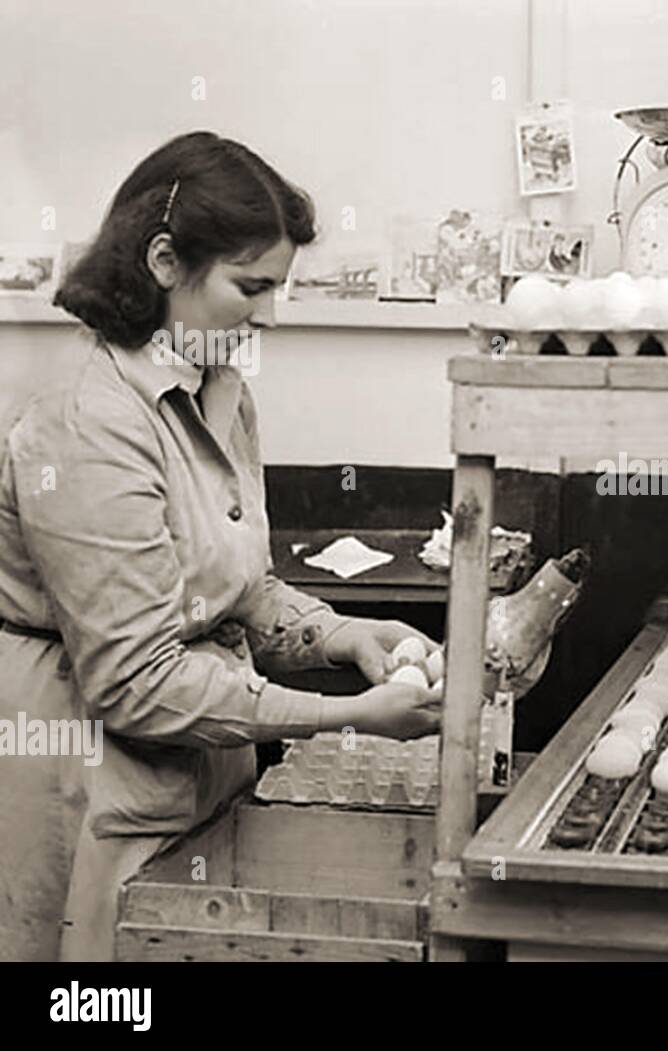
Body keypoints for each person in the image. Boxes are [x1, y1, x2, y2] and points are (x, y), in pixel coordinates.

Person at [0, 131, 442, 961]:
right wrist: (346, 716)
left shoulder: (218, 388)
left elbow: (242, 587)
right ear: (165, 261)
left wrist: (348, 634)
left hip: (205, 767)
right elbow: (135, 683)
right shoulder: (87, 422)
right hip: (91, 775)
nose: (267, 315)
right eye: (251, 287)